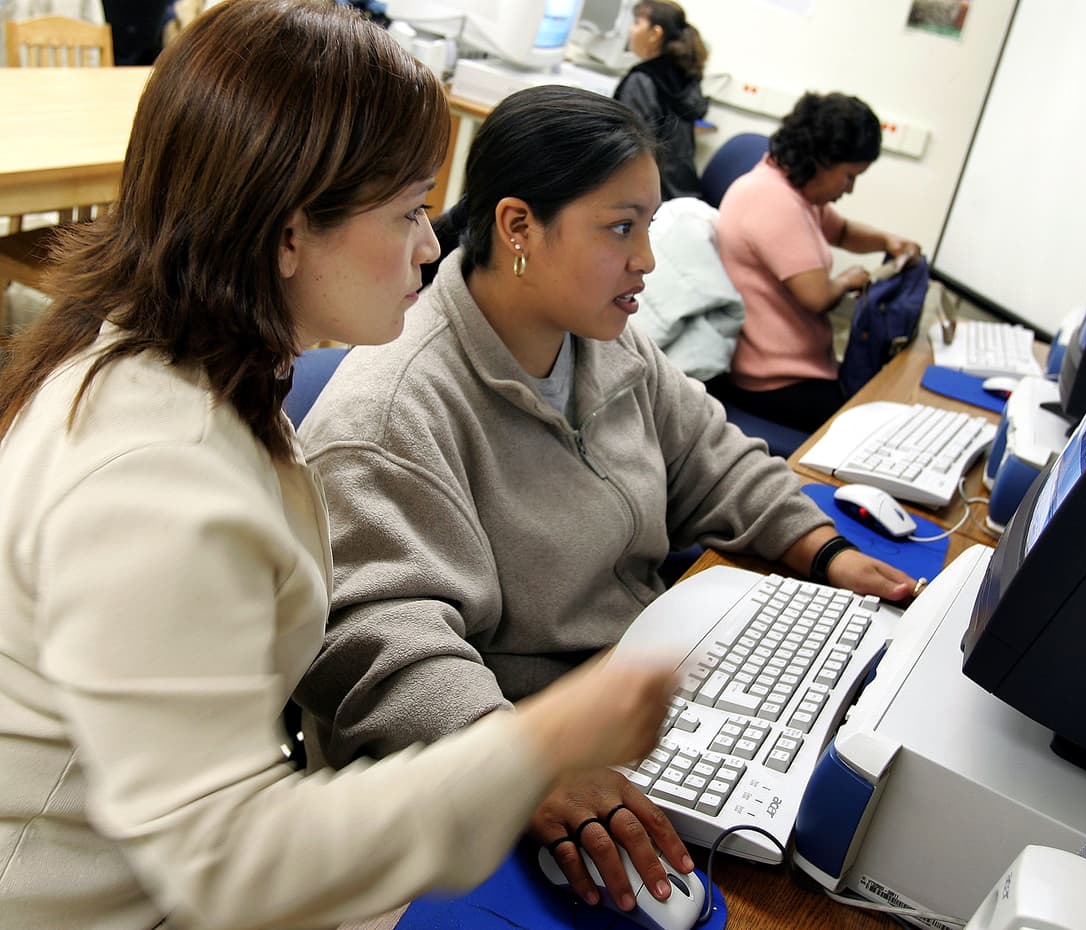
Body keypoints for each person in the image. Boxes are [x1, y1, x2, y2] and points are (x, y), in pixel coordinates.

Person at [0, 3, 675, 929]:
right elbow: (229, 861)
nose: (432, 247)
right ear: (287, 233)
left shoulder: (192, 363)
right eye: (407, 212)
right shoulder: (157, 476)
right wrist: (537, 745)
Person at [294, 83, 917, 917]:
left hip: (627, 708)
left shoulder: (607, 342)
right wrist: (525, 760)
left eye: (651, 225)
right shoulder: (394, 410)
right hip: (515, 764)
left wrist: (823, 547)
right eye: (621, 227)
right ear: (517, 227)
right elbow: (379, 636)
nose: (648, 261)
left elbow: (710, 453)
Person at [715, 92, 923, 433]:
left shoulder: (789, 185)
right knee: (880, 426)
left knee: (884, 404)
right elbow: (817, 296)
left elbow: (840, 231)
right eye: (850, 176)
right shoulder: (772, 200)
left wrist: (887, 241)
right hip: (775, 381)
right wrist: (846, 280)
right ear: (823, 159)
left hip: (799, 368)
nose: (851, 188)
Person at [613, 0, 709, 201]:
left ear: (655, 34)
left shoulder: (642, 79)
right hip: (682, 191)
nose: (631, 29)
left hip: (651, 197)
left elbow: (628, 149)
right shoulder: (685, 75)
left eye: (637, 22)